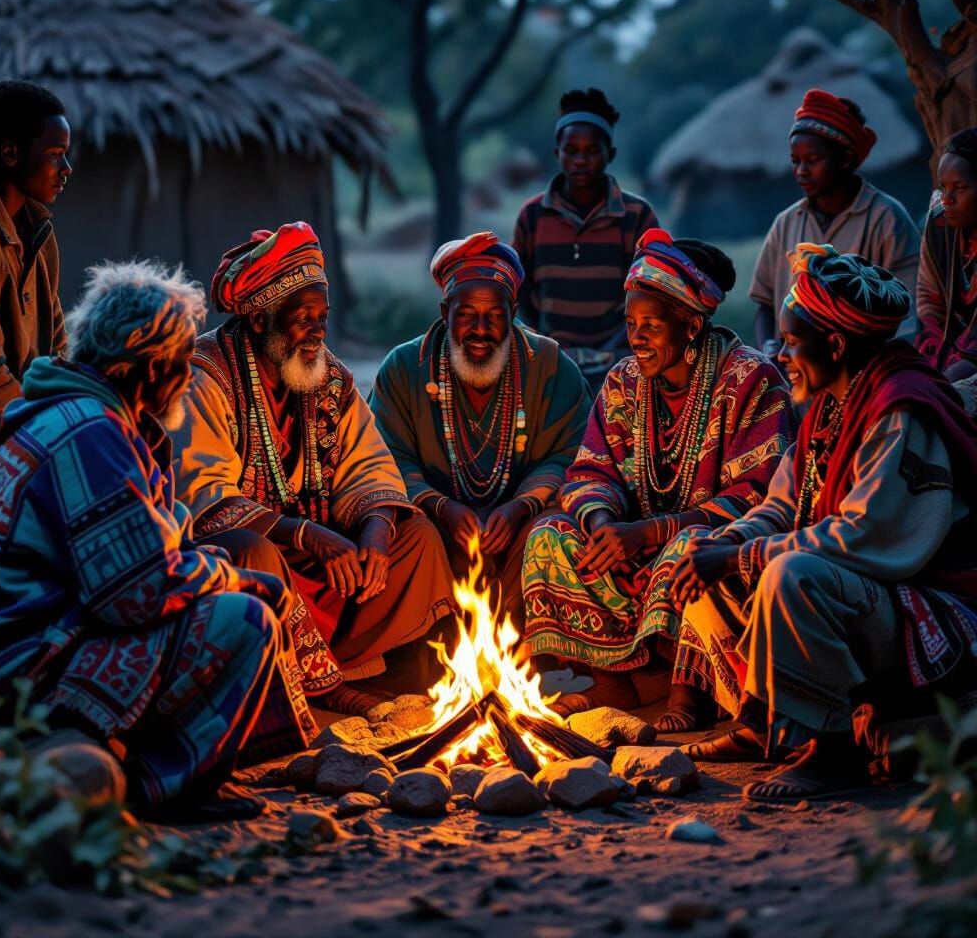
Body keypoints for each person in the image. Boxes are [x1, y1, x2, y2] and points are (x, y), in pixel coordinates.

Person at [0, 261, 329, 821]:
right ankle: (156, 787)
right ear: (152, 367)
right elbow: (135, 594)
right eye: (181, 364)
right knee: (248, 618)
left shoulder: (75, 414)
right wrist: (229, 576)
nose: (187, 377)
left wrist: (206, 565)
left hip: (13, 649)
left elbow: (147, 547)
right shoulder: (91, 431)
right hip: (10, 677)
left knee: (224, 583)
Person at [663, 244, 977, 803]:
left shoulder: (900, 410)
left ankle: (835, 749)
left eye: (792, 340)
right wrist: (725, 545)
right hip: (864, 592)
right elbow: (784, 505)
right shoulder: (831, 405)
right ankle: (765, 723)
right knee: (699, 551)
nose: (781, 354)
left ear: (834, 344)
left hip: (923, 606)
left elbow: (865, 534)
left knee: (791, 576)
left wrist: (739, 557)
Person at [171, 222, 455, 708]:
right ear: (261, 320)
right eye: (304, 317)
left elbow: (369, 467)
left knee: (417, 538)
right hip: (245, 557)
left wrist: (375, 532)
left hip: (320, 560)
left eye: (324, 316)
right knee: (251, 553)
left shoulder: (329, 376)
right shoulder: (205, 375)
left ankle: (410, 675)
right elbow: (205, 500)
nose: (319, 331)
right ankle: (320, 687)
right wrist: (307, 536)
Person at [522, 229, 794, 712]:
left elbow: (759, 494)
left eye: (651, 324)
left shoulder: (752, 380)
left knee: (691, 549)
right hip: (632, 538)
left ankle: (687, 691)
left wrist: (649, 533)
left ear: (691, 325)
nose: (636, 337)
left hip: (709, 542)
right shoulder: (624, 381)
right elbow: (590, 471)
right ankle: (609, 681)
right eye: (630, 323)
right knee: (549, 535)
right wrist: (606, 528)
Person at [368, 232, 591, 627]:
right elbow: (385, 458)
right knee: (413, 531)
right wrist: (442, 507)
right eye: (466, 314)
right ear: (444, 312)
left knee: (550, 529)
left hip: (521, 522)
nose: (481, 329)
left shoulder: (550, 366)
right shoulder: (403, 368)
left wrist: (521, 506)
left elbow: (571, 454)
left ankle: (529, 656)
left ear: (514, 311)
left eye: (495, 315)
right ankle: (427, 653)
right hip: (436, 523)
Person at [0, 80, 73, 525]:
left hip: (19, 430)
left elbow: (57, 347)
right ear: (10, 154)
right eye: (55, 154)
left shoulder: (38, 230)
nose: (67, 168)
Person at [750, 89, 919, 357]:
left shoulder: (887, 219)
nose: (801, 171)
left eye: (813, 160)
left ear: (846, 159)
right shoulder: (786, 222)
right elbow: (764, 304)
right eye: (795, 161)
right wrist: (770, 347)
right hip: (793, 372)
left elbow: (907, 311)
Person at [512, 88, 658, 387]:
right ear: (558, 153)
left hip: (620, 357)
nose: (581, 160)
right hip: (550, 359)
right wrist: (541, 338)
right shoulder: (532, 215)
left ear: (610, 154)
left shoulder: (636, 215)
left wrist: (616, 345)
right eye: (572, 151)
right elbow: (519, 285)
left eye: (592, 151)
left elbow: (650, 290)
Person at [916, 127, 977, 405]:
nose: (947, 199)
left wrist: (947, 375)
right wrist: (933, 352)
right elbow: (928, 296)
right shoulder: (940, 223)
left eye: (960, 188)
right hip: (947, 347)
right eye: (943, 187)